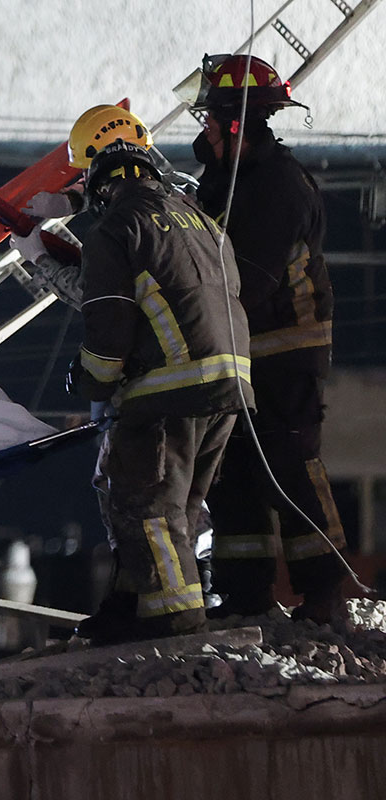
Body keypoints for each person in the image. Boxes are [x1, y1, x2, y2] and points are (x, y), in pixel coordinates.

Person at [14, 118, 254, 644]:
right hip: (228, 385)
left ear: (97, 182)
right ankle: (129, 607)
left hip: (167, 390)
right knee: (180, 508)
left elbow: (109, 326)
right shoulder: (198, 218)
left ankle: (176, 628)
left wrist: (89, 379)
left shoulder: (115, 229)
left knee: (147, 510)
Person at [186, 54, 347, 624]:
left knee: (288, 464)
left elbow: (245, 279)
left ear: (236, 123)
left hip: (284, 352)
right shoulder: (230, 181)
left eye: (210, 120)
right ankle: (245, 594)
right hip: (240, 353)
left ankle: (325, 589)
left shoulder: (277, 185)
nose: (202, 129)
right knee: (234, 473)